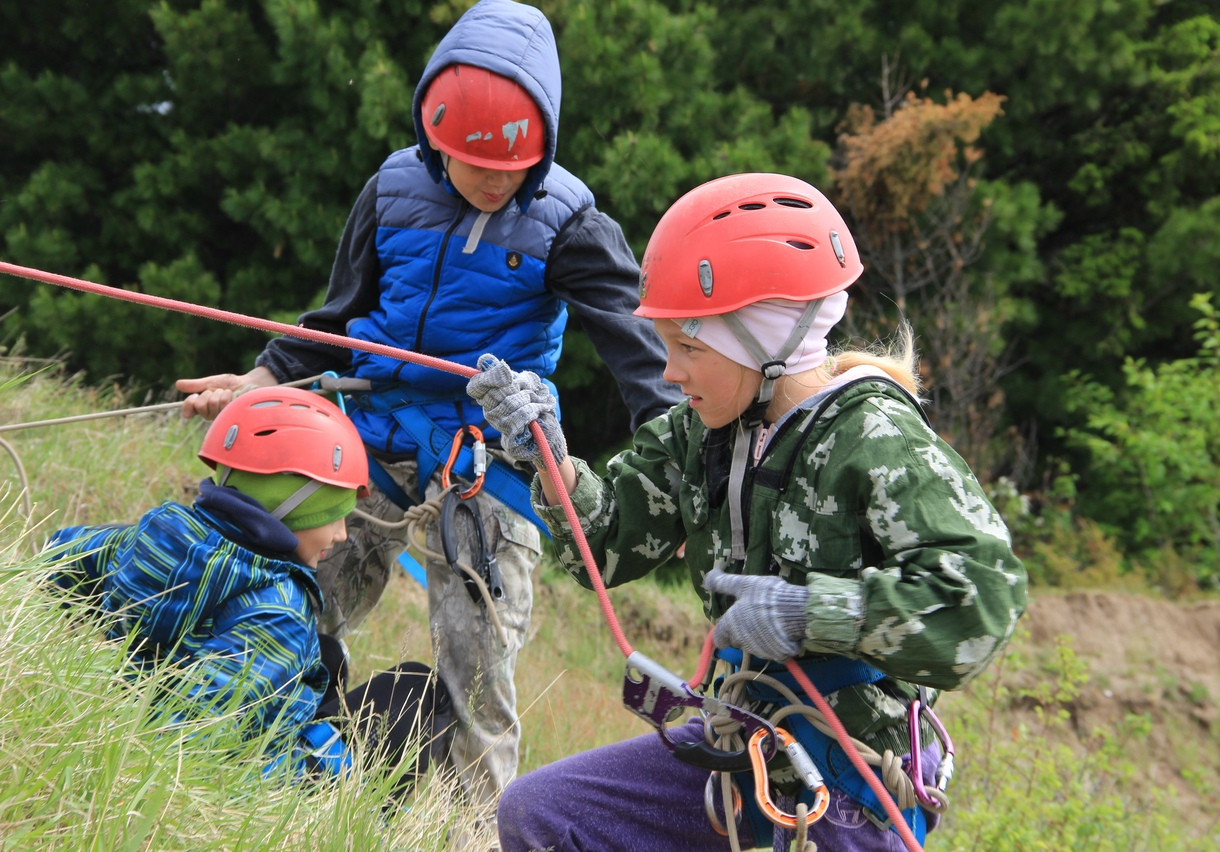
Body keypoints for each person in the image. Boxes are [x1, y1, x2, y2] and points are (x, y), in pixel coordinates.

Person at [173, 0, 680, 811]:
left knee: (476, 670)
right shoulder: (393, 186)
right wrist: (264, 381)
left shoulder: (571, 223)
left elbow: (643, 363)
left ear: (542, 146)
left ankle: (479, 826)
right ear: (432, 135)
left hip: (486, 460)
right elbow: (338, 321)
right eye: (466, 159)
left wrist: (683, 465)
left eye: (506, 166)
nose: (485, 179)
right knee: (293, 600)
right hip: (366, 435)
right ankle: (239, 765)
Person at [468, 172, 1029, 851]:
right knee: (544, 814)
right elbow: (607, 541)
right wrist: (548, 461)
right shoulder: (697, 433)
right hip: (740, 748)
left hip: (851, 778)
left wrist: (810, 612)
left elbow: (985, 598)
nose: (669, 372)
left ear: (765, 343)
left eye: (690, 349)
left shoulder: (875, 438)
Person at [46, 386, 450, 796]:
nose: (343, 535)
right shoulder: (280, 615)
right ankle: (359, 809)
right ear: (294, 506)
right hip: (248, 781)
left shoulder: (154, 535)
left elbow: (56, 554)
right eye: (335, 515)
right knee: (416, 690)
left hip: (123, 695)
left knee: (328, 656)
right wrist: (322, 764)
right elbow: (193, 741)